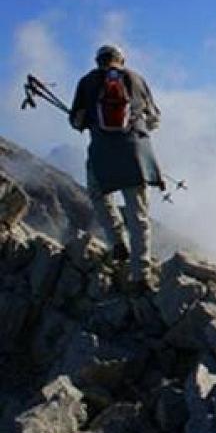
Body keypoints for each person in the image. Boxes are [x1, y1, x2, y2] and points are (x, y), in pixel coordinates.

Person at [69, 45, 164, 287]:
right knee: (138, 214)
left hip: (102, 155)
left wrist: (91, 121)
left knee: (98, 196)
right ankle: (141, 273)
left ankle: (117, 242)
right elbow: (154, 119)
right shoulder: (136, 79)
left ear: (98, 60)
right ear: (121, 60)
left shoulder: (87, 81)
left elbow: (76, 120)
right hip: (136, 156)